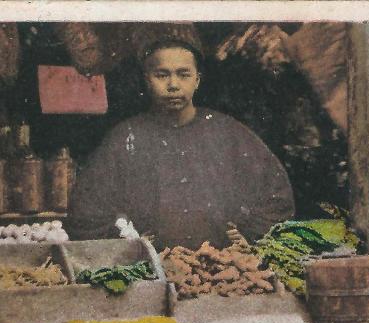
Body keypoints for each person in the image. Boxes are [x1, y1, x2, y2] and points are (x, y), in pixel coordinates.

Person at [69, 38, 295, 250]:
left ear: (197, 80)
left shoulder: (228, 133)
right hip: (150, 271)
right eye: (162, 75)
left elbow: (277, 196)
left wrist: (250, 235)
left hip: (224, 270)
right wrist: (128, 244)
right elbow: (87, 213)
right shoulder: (124, 139)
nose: (173, 85)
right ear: (147, 80)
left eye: (183, 74)